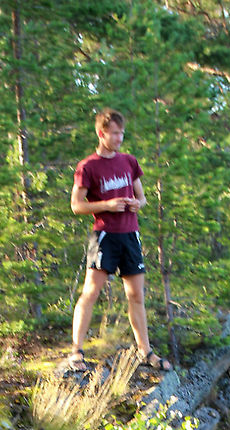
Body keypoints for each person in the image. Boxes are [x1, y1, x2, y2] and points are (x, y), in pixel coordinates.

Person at [68, 108, 172, 373]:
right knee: (91, 292)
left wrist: (138, 204)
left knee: (136, 295)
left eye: (122, 133)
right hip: (104, 236)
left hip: (130, 235)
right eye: (114, 133)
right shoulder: (88, 166)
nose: (119, 138)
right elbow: (76, 205)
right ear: (101, 133)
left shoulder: (129, 161)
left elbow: (142, 197)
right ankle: (77, 351)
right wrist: (107, 205)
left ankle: (145, 351)